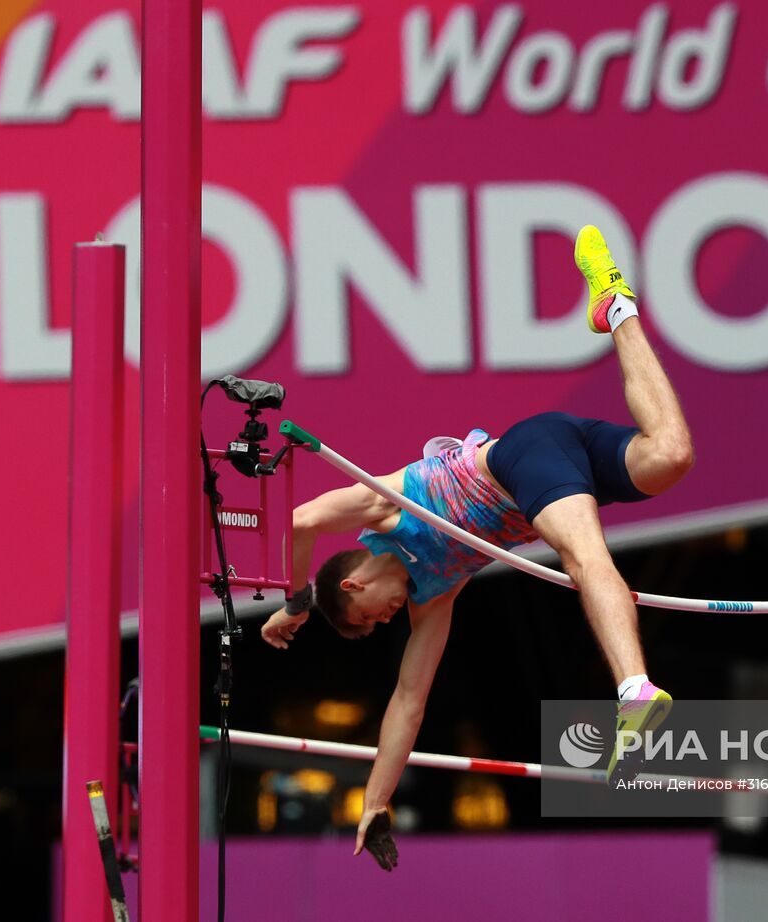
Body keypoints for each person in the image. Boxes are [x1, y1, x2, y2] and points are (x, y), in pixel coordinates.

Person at [260, 226, 693, 870]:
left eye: (368, 616)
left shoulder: (386, 506)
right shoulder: (432, 599)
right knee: (672, 455)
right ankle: (616, 306)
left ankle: (634, 689)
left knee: (584, 558)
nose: (384, 622)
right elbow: (408, 701)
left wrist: (294, 601)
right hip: (552, 473)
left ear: (352, 584)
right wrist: (374, 804)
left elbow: (298, 521)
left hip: (522, 460)